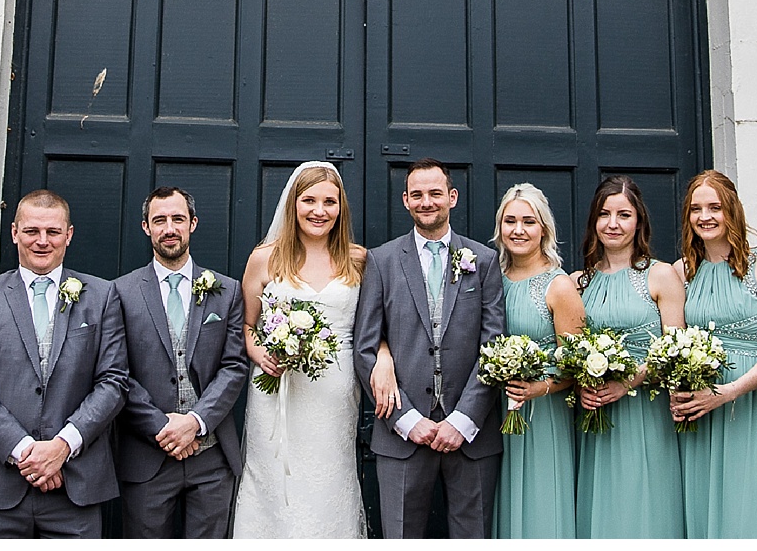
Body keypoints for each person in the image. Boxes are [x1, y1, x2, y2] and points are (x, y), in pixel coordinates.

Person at [0, 189, 128, 538]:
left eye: (53, 232)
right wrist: (25, 452)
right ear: (14, 232)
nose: (42, 241)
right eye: (31, 231)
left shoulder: (102, 296)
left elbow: (114, 381)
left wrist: (62, 446)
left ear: (68, 235)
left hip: (75, 485)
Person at [351, 158, 504, 538]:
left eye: (435, 193)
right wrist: (406, 420)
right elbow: (365, 347)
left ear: (452, 197)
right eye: (417, 194)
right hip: (402, 433)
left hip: (472, 436)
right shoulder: (382, 260)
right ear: (405, 200)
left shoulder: (483, 261)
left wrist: (463, 420)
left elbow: (494, 346)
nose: (426, 202)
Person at [229, 162, 369, 536]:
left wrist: (383, 356)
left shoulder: (358, 260)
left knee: (330, 483)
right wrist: (260, 354)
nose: (319, 211)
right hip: (278, 393)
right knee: (275, 483)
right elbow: (246, 326)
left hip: (335, 394)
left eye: (329, 202)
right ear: (293, 204)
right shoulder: (265, 258)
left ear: (341, 208)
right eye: (309, 200)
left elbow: (375, 329)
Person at [113, 186, 250, 537]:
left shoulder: (227, 290)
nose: (169, 228)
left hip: (212, 456)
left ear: (193, 223)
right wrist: (161, 426)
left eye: (177, 219)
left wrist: (196, 422)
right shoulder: (120, 292)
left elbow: (234, 366)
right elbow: (116, 373)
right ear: (146, 227)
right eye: (159, 220)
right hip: (146, 457)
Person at [670, 170, 757, 538]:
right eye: (696, 209)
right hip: (701, 411)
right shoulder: (682, 272)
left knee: (753, 509)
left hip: (752, 405)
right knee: (706, 510)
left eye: (714, 207)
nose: (704, 217)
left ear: (733, 211)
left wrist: (728, 392)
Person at [572, 174, 687, 537]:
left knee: (645, 505)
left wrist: (628, 381)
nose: (613, 224)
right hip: (595, 414)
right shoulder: (579, 282)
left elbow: (676, 348)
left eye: (623, 215)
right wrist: (580, 383)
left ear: (639, 221)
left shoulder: (660, 275)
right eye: (604, 214)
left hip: (644, 412)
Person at [489, 182, 584, 539]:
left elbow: (576, 367)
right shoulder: (491, 278)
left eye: (528, 222)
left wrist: (539, 388)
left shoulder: (559, 286)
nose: (518, 230)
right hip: (496, 410)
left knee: (541, 503)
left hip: (543, 414)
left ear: (543, 228)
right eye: (510, 221)